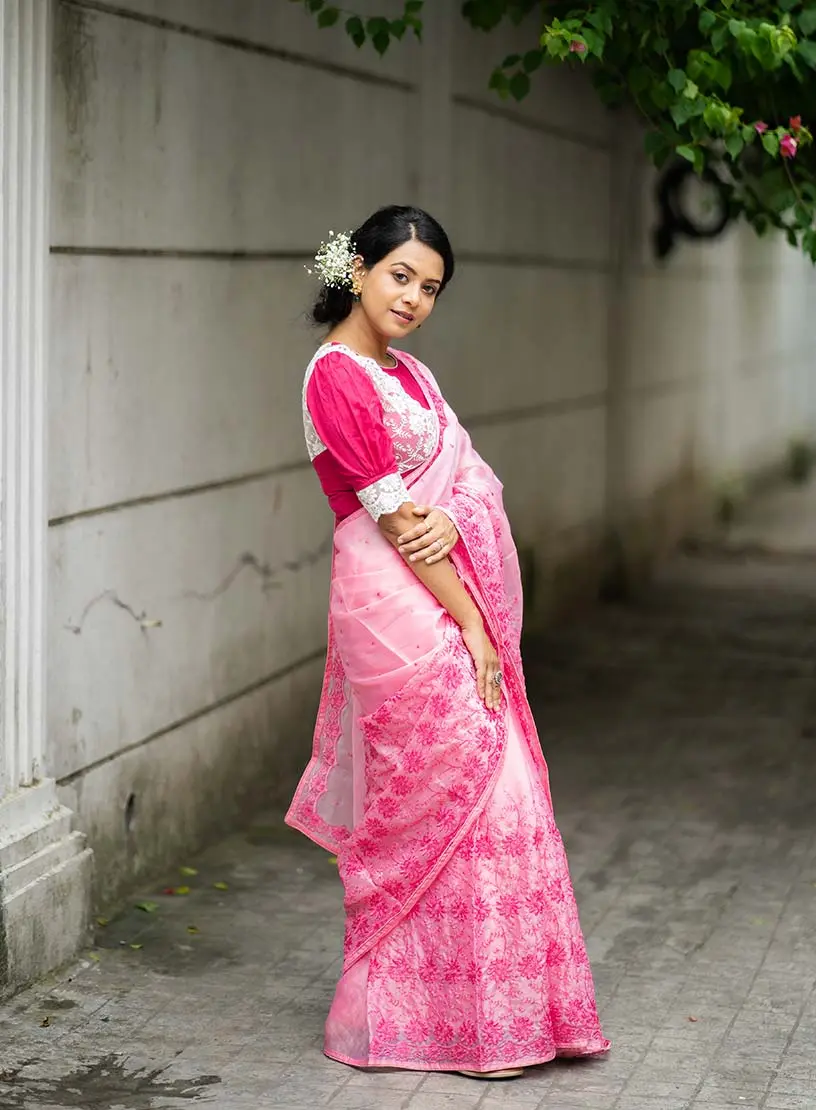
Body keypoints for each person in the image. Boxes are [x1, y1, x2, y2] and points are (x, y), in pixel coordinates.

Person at [285, 205, 609, 1079]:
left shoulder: (417, 378)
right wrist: (470, 619)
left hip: (439, 580)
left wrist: (452, 521)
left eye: (430, 288)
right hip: (393, 610)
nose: (415, 298)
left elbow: (464, 478)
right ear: (357, 269)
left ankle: (492, 1019)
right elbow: (392, 512)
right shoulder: (335, 376)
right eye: (401, 276)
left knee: (498, 793)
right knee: (432, 796)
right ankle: (404, 1022)